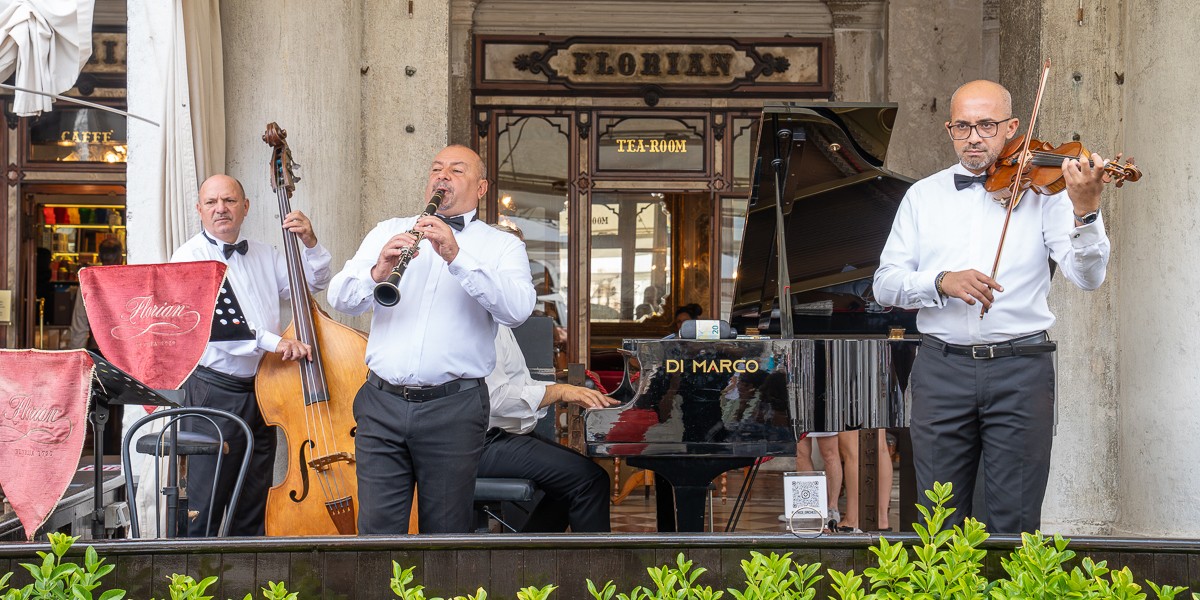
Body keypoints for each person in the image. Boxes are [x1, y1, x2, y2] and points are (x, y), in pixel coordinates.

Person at [872, 80, 1111, 533]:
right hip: (941, 370)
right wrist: (940, 281)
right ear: (949, 130)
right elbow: (884, 285)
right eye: (963, 126)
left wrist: (1086, 211)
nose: (975, 136)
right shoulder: (924, 196)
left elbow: (1089, 278)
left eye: (986, 124)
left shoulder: (1048, 194)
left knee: (1015, 522)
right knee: (937, 524)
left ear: (1012, 127)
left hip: (1020, 370)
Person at [328, 144, 536, 534]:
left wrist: (458, 257)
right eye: (436, 169)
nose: (442, 177)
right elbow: (340, 297)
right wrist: (378, 270)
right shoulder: (388, 231)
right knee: (376, 530)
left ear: (481, 188)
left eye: (457, 171)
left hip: (453, 408)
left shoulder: (501, 245)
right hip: (381, 403)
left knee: (444, 531)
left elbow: (517, 310)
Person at [170, 174, 332, 537]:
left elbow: (308, 286)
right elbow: (214, 327)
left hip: (264, 389)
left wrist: (310, 244)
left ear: (245, 207)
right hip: (214, 391)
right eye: (211, 203)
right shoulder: (189, 257)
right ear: (199, 210)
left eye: (228, 201)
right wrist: (276, 343)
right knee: (205, 500)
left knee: (254, 495)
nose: (220, 209)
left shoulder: (264, 252)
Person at [479, 324, 618, 532]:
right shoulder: (484, 325)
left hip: (500, 436)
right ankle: (531, 557)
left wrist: (569, 390)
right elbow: (496, 399)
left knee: (580, 480)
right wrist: (561, 392)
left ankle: (527, 557)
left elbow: (520, 385)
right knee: (589, 481)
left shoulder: (497, 322)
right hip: (480, 443)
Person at [68, 238, 124, 350]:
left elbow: (79, 323)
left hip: (97, 347)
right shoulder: (129, 282)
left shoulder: (88, 281)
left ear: (99, 258)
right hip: (124, 349)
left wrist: (76, 352)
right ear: (121, 259)